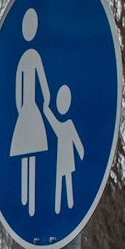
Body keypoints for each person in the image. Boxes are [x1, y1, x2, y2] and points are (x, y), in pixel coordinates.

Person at [10, 8, 51, 217]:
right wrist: (45, 102)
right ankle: (30, 204)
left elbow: (18, 89)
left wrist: (21, 108)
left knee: (26, 152)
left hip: (25, 110)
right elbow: (43, 83)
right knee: (31, 152)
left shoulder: (25, 58)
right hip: (31, 109)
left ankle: (28, 199)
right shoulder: (32, 56)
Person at [48, 84, 83, 214]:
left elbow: (76, 140)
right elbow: (53, 122)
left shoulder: (68, 124)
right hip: (62, 159)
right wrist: (46, 110)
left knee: (67, 181)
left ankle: (68, 205)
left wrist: (81, 152)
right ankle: (58, 208)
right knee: (60, 181)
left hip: (67, 159)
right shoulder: (63, 125)